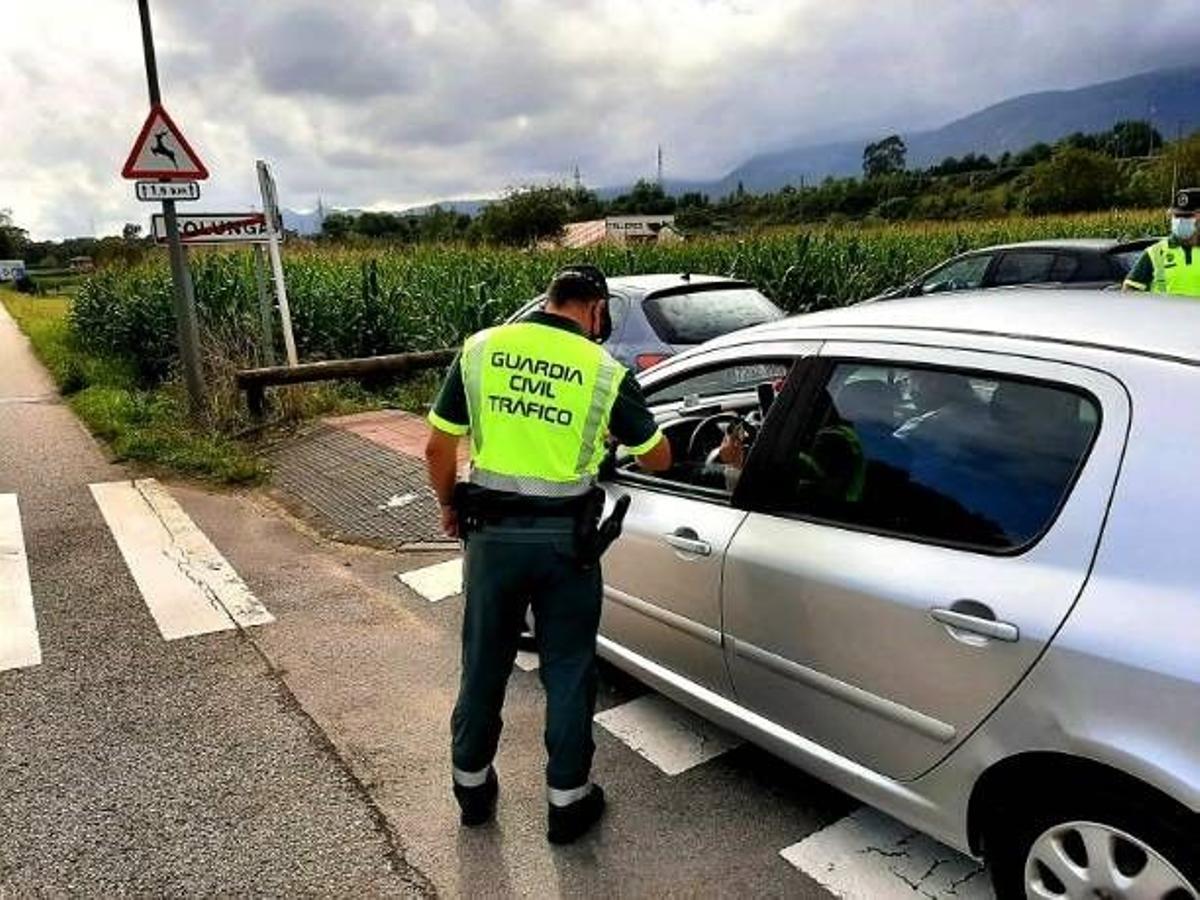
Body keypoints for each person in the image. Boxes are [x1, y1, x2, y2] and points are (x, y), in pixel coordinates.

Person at [423, 265, 671, 845]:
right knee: (568, 668)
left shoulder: (484, 347)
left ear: (550, 300)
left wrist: (447, 506)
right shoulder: (604, 370)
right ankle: (567, 803)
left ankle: (473, 793)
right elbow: (657, 457)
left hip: (491, 539)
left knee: (484, 662)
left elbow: (438, 445)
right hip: (567, 547)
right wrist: (612, 438)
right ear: (597, 310)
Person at [1123, 188, 1200, 296]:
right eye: (1176, 216)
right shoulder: (1155, 253)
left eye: (1188, 216)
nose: (1180, 220)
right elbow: (1129, 291)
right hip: (1163, 313)